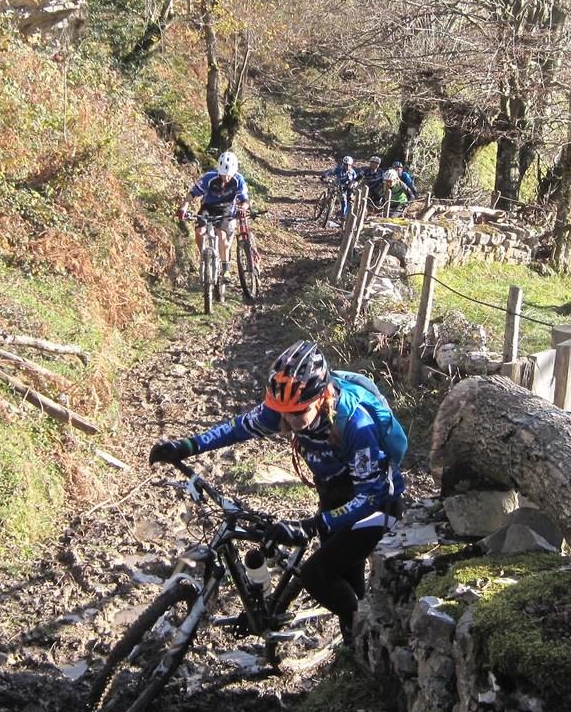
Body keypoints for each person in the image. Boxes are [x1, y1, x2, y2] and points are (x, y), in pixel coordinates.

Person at [148, 340, 404, 644]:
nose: (290, 421)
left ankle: (363, 642)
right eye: (284, 413)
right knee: (345, 578)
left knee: (317, 575)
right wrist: (188, 446)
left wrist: (313, 525)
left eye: (298, 413)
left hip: (376, 508)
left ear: (322, 397)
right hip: (333, 495)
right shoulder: (284, 407)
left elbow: (370, 497)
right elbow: (238, 428)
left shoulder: (357, 426)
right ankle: (354, 637)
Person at [179, 150, 249, 277]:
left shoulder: (239, 179)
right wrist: (184, 208)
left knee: (221, 234)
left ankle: (225, 268)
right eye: (222, 175)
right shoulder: (209, 177)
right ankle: (203, 257)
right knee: (199, 231)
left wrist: (242, 209)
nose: (225, 178)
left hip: (226, 208)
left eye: (228, 176)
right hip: (208, 207)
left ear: (234, 172)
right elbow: (192, 194)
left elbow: (245, 200)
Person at [319, 155, 357, 227]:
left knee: (345, 201)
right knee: (331, 190)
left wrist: (353, 185)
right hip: (336, 185)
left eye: (349, 165)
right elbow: (330, 172)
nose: (347, 167)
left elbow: (356, 180)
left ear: (351, 165)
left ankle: (343, 216)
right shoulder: (338, 169)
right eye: (345, 165)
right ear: (343, 164)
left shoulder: (352, 172)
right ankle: (324, 202)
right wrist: (324, 176)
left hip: (346, 189)